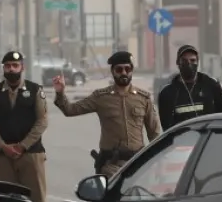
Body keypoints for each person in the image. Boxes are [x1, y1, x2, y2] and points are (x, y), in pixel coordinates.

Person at [53, 50, 161, 178]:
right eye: (119, 70)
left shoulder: (144, 98)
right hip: (111, 166)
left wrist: (157, 162)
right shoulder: (101, 97)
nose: (124, 73)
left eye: (127, 69)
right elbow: (70, 110)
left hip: (137, 163)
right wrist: (60, 93)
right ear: (113, 72)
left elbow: (154, 133)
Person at [0, 50, 49, 202]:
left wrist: (22, 146)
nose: (11, 69)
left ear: (22, 68)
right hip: (2, 156)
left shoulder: (35, 90)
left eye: (15, 65)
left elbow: (42, 122)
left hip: (30, 155)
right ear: (3, 68)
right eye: (8, 66)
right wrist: (2, 146)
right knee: (6, 201)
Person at [157, 44, 222, 129]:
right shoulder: (167, 93)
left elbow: (221, 118)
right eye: (184, 60)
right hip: (181, 140)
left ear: (198, 62)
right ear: (177, 63)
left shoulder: (212, 85)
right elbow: (167, 127)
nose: (189, 64)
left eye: (193, 60)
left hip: (208, 139)